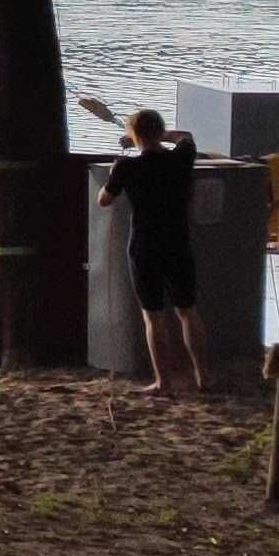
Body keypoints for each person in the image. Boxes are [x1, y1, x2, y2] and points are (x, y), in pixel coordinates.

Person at [98, 109, 204, 392]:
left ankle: (163, 381)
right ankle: (203, 376)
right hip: (178, 242)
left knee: (153, 316)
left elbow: (104, 200)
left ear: (134, 134)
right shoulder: (182, 158)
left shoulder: (127, 168)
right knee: (187, 311)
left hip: (145, 246)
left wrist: (114, 171)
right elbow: (187, 137)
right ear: (160, 131)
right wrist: (163, 135)